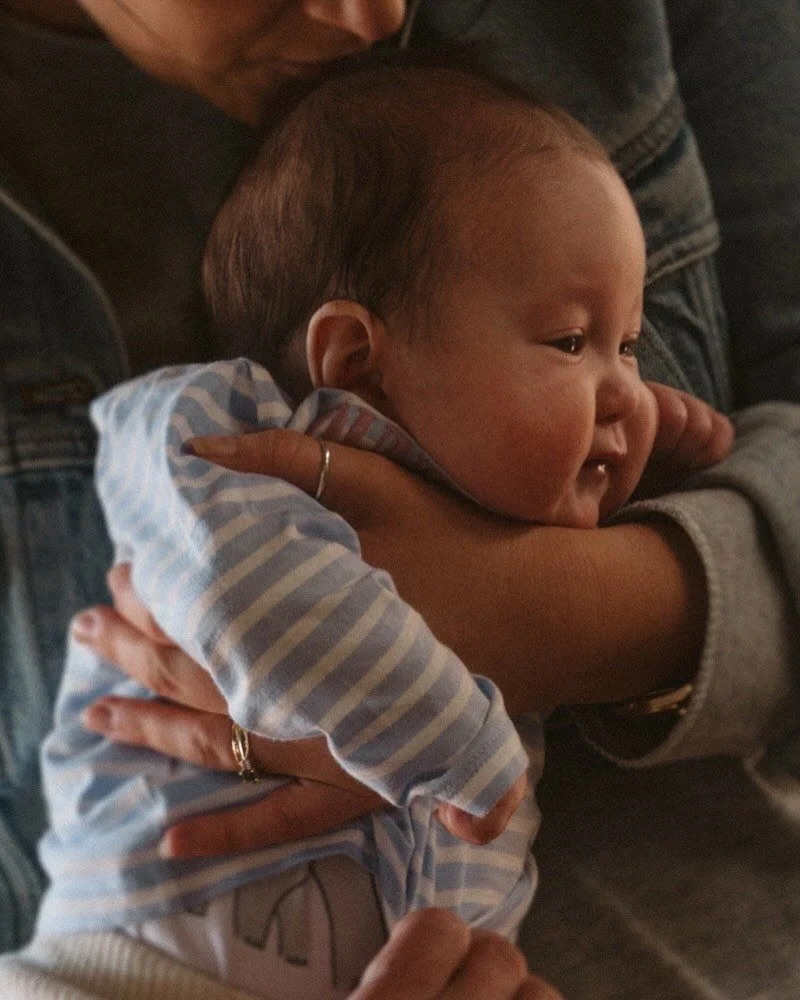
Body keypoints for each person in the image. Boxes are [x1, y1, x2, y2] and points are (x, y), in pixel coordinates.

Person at [1, 0, 799, 997]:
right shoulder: (220, 437)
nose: (375, 15)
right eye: (570, 341)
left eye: (630, 346)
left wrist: (582, 599)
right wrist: (456, 751)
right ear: (356, 361)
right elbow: (230, 579)